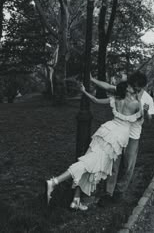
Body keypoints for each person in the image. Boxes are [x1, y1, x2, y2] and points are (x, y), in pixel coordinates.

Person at [45, 81, 143, 211]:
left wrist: (84, 91)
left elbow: (95, 100)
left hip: (106, 131)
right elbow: (140, 119)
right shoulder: (135, 104)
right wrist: (141, 104)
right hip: (115, 138)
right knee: (89, 163)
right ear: (127, 90)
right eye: (130, 86)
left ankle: (76, 200)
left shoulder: (115, 99)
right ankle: (54, 181)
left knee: (91, 164)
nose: (133, 88)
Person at [90, 71, 154, 201]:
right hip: (118, 133)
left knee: (128, 165)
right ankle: (109, 192)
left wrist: (146, 112)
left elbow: (149, 121)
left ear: (142, 87)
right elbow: (108, 87)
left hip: (133, 136)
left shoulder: (148, 99)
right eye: (132, 85)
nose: (133, 89)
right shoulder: (125, 90)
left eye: (136, 87)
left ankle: (120, 191)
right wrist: (92, 79)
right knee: (114, 163)